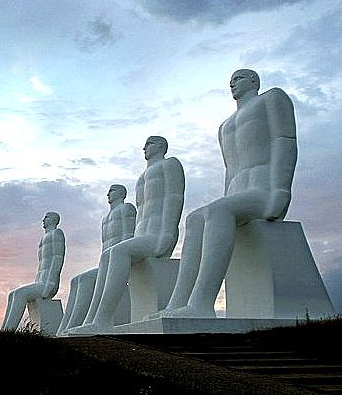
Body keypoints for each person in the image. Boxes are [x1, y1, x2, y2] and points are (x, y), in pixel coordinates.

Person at [160, 69, 297, 318]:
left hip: (262, 188)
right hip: (238, 192)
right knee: (195, 218)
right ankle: (177, 303)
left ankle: (201, 303)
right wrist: (226, 202)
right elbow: (229, 169)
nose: (232, 83)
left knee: (216, 210)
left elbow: (283, 141)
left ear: (254, 81)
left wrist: (281, 189)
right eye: (231, 80)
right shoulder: (224, 126)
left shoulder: (271, 99)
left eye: (239, 78)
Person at [75, 136, 184, 332]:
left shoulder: (170, 165)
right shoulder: (142, 178)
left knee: (117, 252)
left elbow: (174, 198)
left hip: (158, 234)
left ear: (161, 146)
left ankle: (102, 320)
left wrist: (167, 234)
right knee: (107, 255)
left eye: (149, 144)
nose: (144, 148)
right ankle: (92, 319)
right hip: (143, 235)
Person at [57, 184, 136, 334]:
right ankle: (66, 327)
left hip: (120, 260)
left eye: (112, 190)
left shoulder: (126, 209)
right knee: (77, 280)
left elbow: (128, 235)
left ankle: (92, 321)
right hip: (107, 262)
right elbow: (104, 248)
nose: (108, 194)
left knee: (88, 279)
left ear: (122, 193)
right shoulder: (105, 219)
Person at [1, 211, 66, 331]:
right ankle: (3, 331)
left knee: (20, 294)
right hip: (41, 282)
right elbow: (42, 265)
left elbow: (58, 258)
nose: (43, 220)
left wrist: (50, 284)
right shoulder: (44, 238)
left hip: (48, 283)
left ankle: (9, 331)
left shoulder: (56, 233)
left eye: (46, 217)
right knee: (12, 294)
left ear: (53, 219)